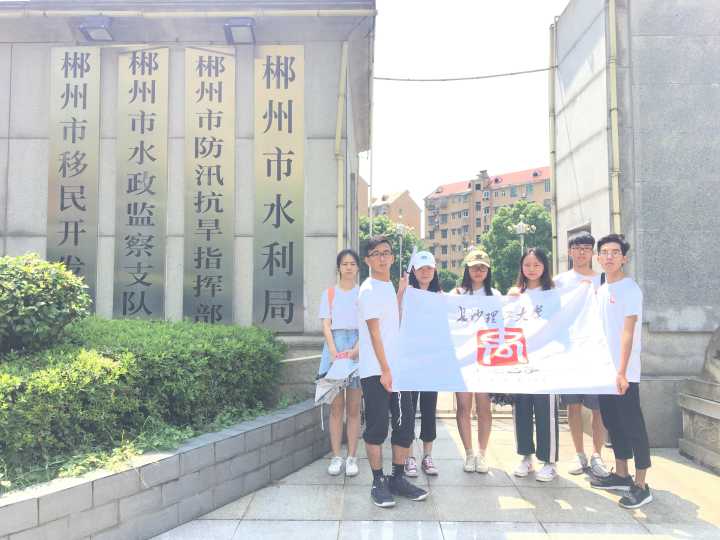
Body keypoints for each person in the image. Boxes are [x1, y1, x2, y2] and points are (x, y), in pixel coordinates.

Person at [358, 236, 429, 508]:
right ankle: (378, 481)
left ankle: (398, 478)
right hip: (376, 371)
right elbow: (375, 334)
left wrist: (400, 292)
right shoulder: (368, 289)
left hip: (396, 370)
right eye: (376, 253)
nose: (382, 257)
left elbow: (392, 321)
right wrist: (386, 370)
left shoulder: (386, 285)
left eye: (386, 253)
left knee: (404, 426)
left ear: (392, 257)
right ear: (368, 260)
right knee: (376, 428)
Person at [590, 233, 652, 509]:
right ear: (598, 257)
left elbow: (628, 332)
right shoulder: (602, 290)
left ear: (624, 258)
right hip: (605, 371)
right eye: (605, 252)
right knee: (613, 423)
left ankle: (641, 485)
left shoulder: (630, 289)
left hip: (624, 373)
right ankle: (622, 474)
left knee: (633, 425)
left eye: (615, 252)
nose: (609, 256)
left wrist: (622, 371)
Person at [553, 233, 610, 478]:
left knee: (598, 408)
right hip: (570, 352)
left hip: (596, 352)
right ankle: (579, 454)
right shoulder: (559, 281)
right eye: (577, 248)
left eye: (587, 248)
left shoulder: (604, 280)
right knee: (573, 406)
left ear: (593, 253)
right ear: (570, 251)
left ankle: (597, 455)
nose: (582, 252)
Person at [508, 247, 560, 482]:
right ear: (521, 267)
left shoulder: (553, 294)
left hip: (546, 361)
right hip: (520, 361)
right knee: (521, 409)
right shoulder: (515, 294)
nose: (531, 269)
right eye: (527, 265)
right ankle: (526, 457)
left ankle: (549, 461)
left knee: (545, 410)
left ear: (544, 267)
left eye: (536, 265)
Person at [450, 249, 501, 474]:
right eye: (474, 267)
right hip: (462, 360)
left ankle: (482, 453)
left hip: (486, 360)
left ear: (488, 270)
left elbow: (502, 328)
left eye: (482, 267)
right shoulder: (457, 294)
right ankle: (469, 453)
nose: (478, 271)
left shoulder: (495, 296)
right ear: (467, 269)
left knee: (484, 408)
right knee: (463, 406)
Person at [397, 250, 442, 477]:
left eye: (429, 268)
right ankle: (409, 457)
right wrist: (400, 291)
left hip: (431, 363)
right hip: (409, 362)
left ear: (434, 271)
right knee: (408, 410)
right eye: (421, 268)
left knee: (429, 409)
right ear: (413, 271)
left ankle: (427, 456)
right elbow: (395, 318)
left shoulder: (440, 297)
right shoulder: (407, 294)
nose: (425, 272)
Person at [318, 249, 362, 477]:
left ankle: (352, 457)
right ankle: (336, 456)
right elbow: (326, 325)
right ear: (339, 268)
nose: (348, 267)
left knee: (354, 408)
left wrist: (356, 349)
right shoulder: (329, 294)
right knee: (336, 408)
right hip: (333, 347)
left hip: (357, 347)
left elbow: (367, 325)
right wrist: (334, 351)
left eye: (352, 263)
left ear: (357, 268)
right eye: (344, 264)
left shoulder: (363, 294)